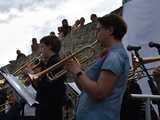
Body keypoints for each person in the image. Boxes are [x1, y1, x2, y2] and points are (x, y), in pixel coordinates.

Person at [64, 14, 130, 120]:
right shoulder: (108, 55)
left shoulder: (115, 57)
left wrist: (77, 71)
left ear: (110, 30)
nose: (96, 33)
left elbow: (99, 93)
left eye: (98, 30)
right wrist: (75, 71)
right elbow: (84, 88)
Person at [30, 35, 66, 120]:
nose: (40, 51)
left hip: (50, 108)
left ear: (49, 46)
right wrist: (33, 76)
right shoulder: (48, 63)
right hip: (46, 106)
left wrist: (32, 75)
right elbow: (40, 86)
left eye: (42, 47)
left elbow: (44, 87)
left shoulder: (55, 62)